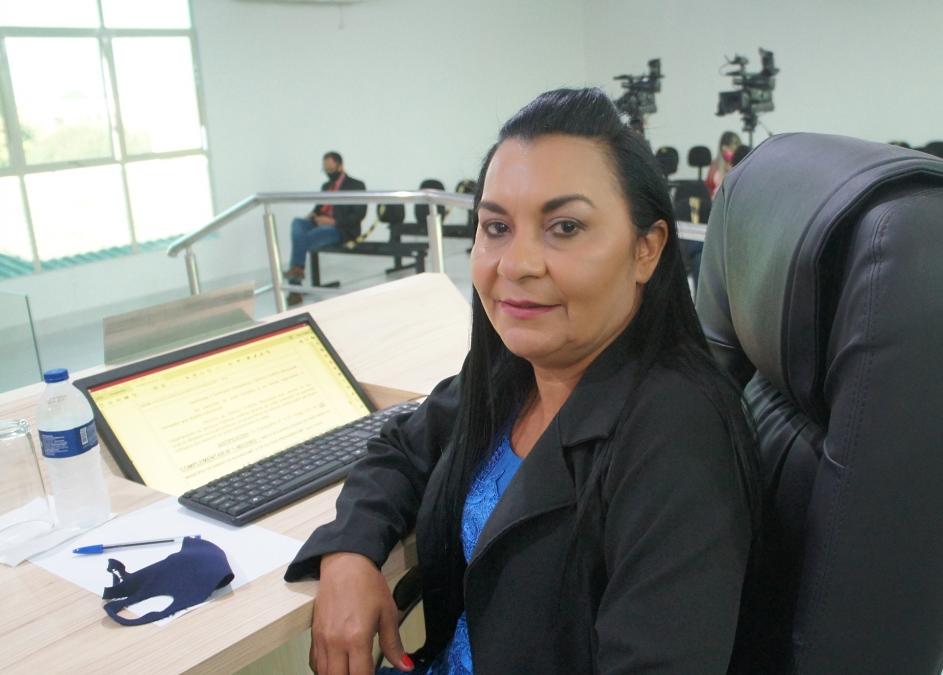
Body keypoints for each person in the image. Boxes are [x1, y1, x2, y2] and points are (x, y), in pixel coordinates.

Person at [284, 88, 760, 675]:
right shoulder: (515, 371)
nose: (516, 264)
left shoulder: (678, 438)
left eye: (565, 227)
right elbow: (400, 448)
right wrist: (349, 550)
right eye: (496, 226)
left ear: (647, 249)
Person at [284, 152, 367, 306]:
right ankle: (298, 269)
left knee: (303, 238)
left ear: (340, 166)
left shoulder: (356, 185)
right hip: (320, 222)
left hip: (341, 228)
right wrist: (314, 215)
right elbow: (319, 208)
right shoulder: (326, 186)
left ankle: (295, 288)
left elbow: (358, 215)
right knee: (298, 223)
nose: (329, 173)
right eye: (326, 170)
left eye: (331, 170)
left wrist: (333, 221)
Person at [704, 131, 742, 198]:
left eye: (732, 150)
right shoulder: (715, 165)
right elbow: (707, 188)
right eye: (725, 151)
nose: (729, 154)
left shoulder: (743, 165)